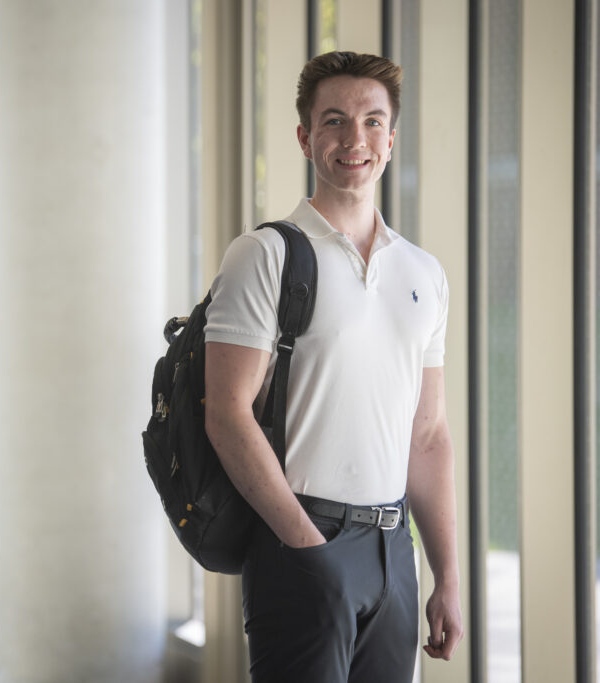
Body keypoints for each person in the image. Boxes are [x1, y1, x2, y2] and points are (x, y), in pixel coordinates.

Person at [203, 51, 462, 682]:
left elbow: (427, 436)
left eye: (373, 122)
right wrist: (301, 542)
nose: (356, 139)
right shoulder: (264, 254)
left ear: (391, 140)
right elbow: (227, 413)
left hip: (393, 552)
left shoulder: (423, 272)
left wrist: (446, 574)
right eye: (335, 121)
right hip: (303, 540)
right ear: (305, 136)